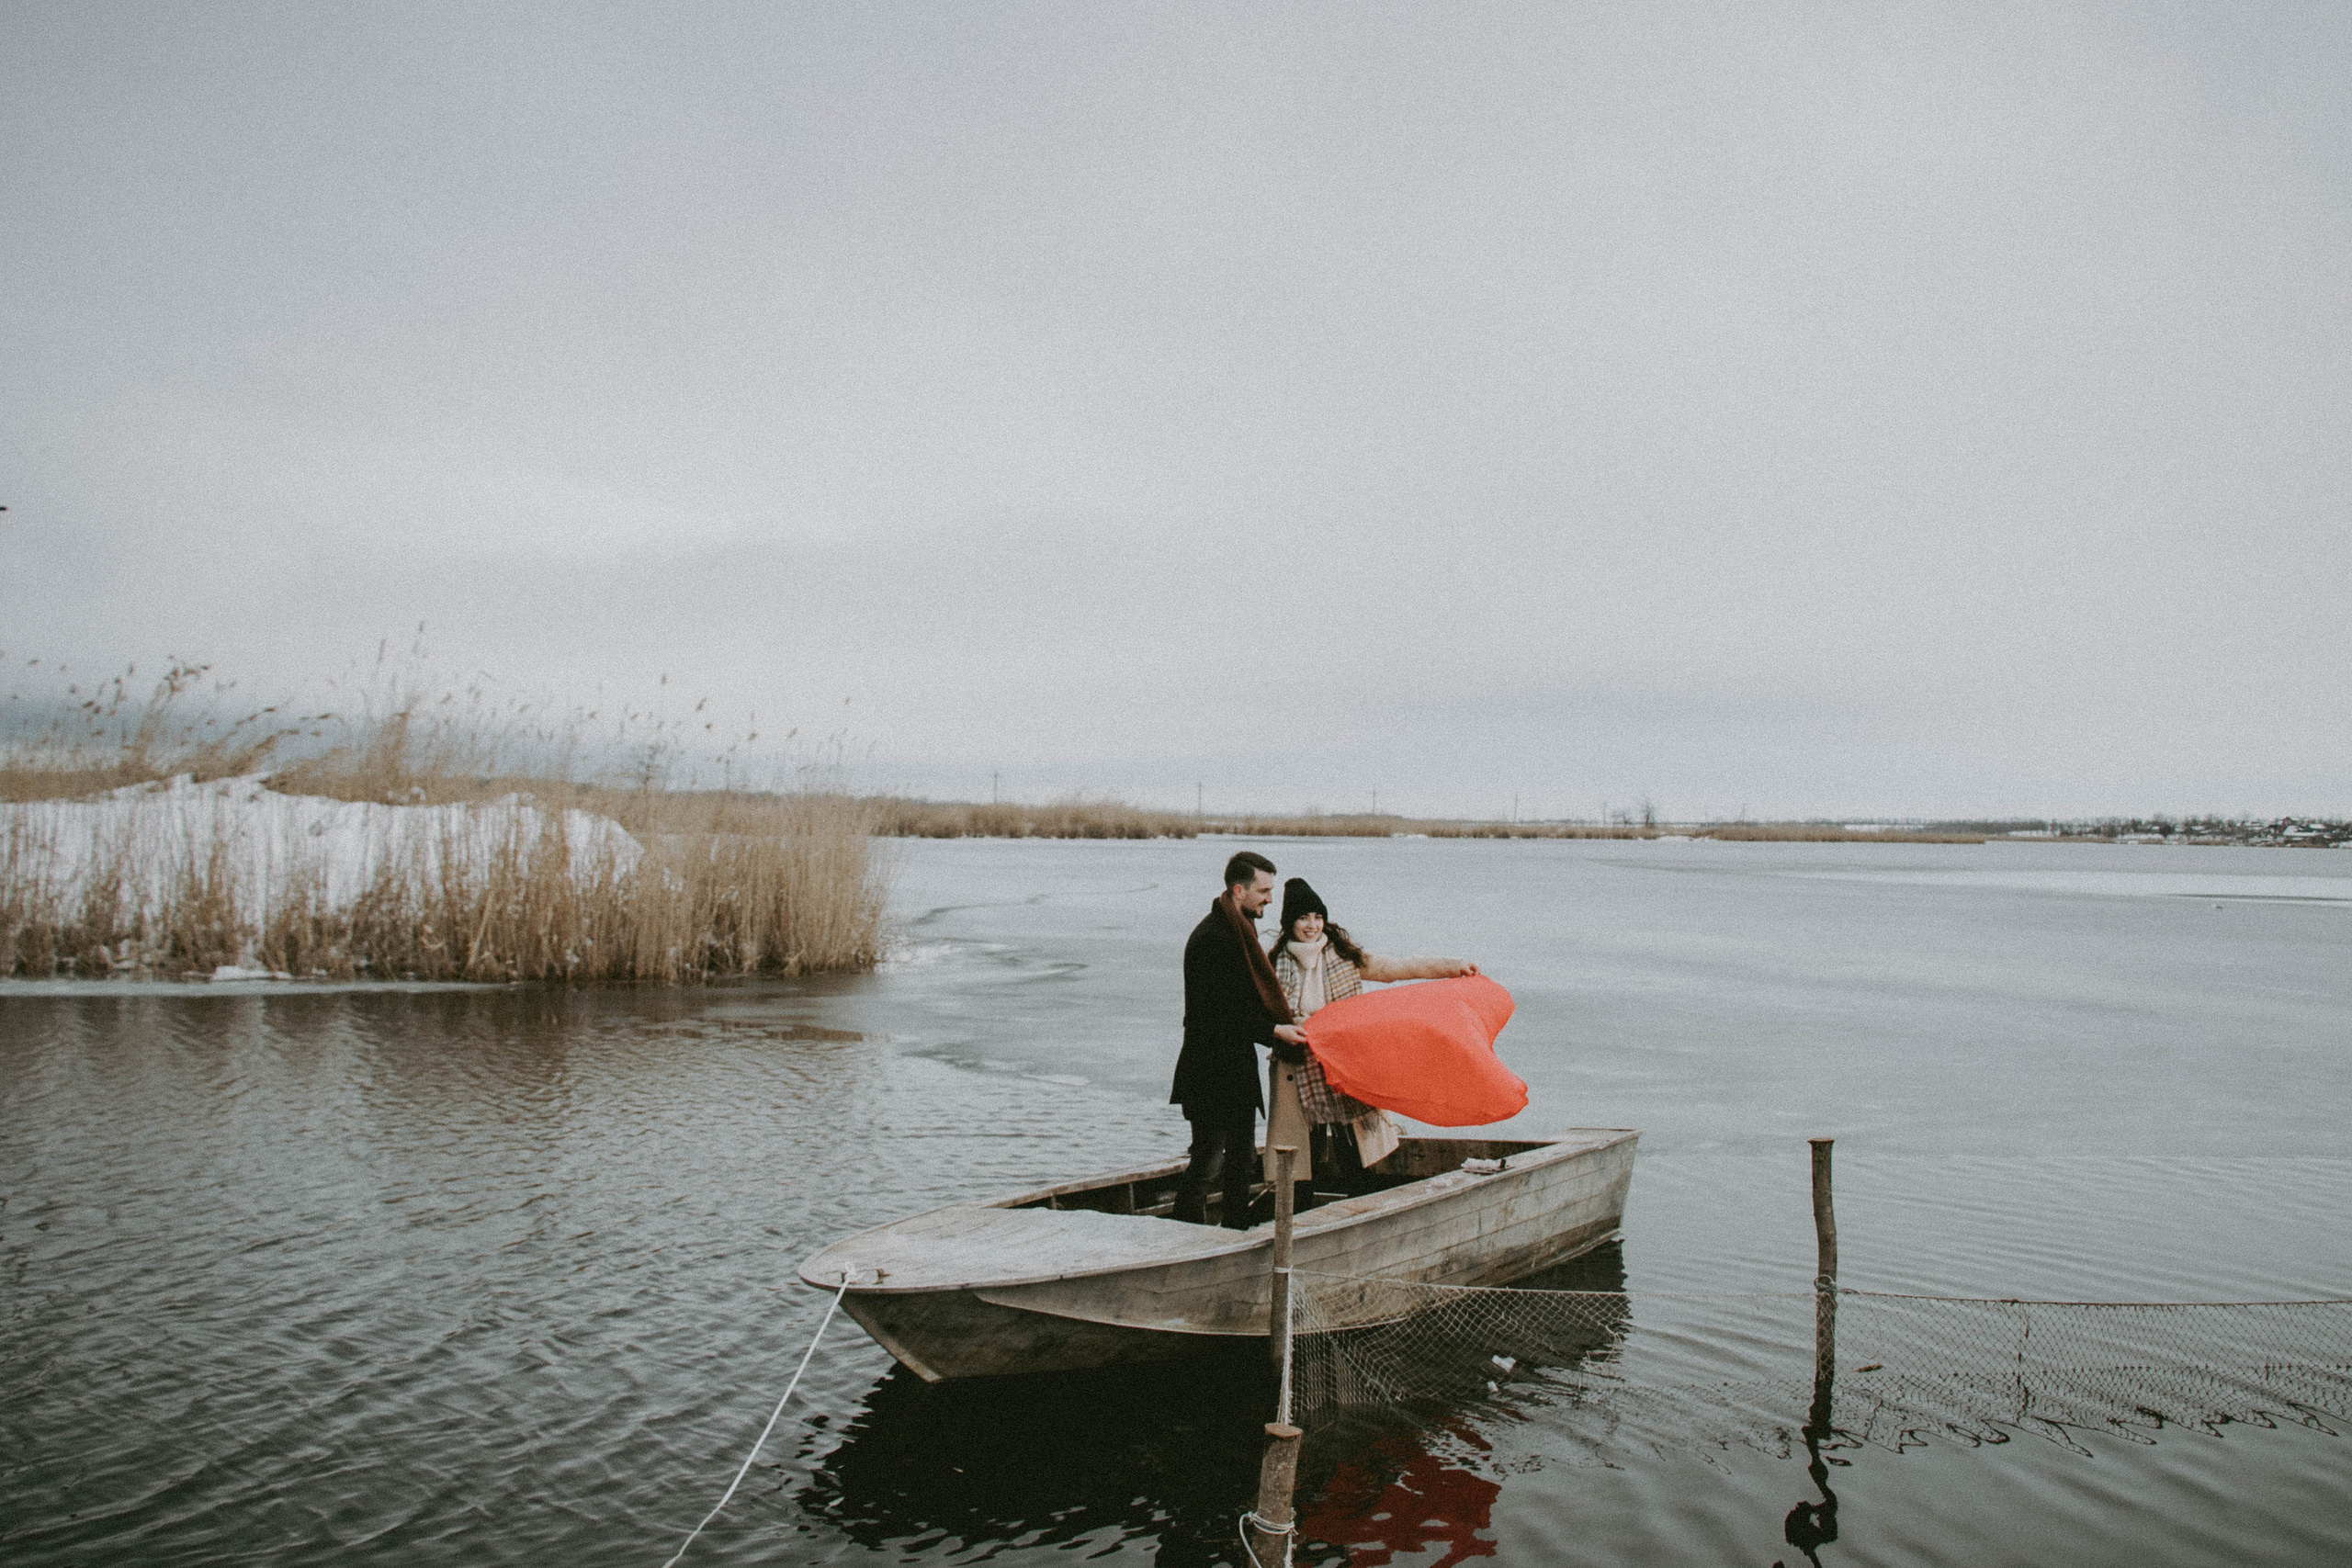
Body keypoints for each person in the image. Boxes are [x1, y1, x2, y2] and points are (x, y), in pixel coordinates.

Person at [1265, 876, 1479, 1199]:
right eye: (1303, 918)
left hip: (1341, 1061)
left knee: (1350, 1140)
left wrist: (1453, 966)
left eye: (1318, 917)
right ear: (1289, 922)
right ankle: (1301, 1213)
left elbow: (1397, 968)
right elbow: (1259, 1011)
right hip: (1296, 1065)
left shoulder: (1344, 956)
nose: (1312, 926)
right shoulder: (1273, 964)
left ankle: (1360, 1205)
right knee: (1302, 1149)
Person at [1170, 851, 1310, 1226]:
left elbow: (1244, 1004)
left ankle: (1234, 1231)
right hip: (1208, 1068)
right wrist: (1273, 1030)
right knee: (1209, 1161)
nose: (1269, 898)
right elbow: (1219, 1012)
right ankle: (1181, 1238)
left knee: (1242, 1160)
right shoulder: (1213, 938)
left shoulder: (1238, 929)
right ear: (1238, 890)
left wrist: (1281, 1024)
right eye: (1263, 890)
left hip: (1234, 1066)